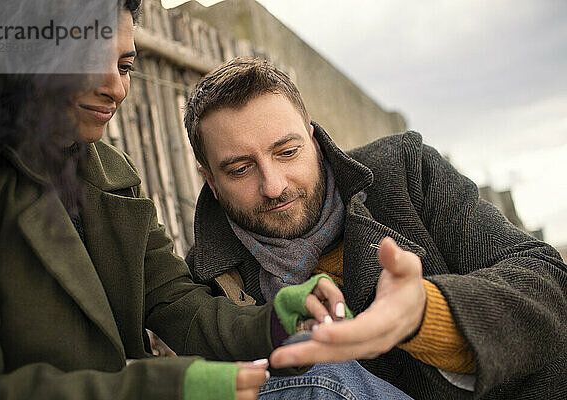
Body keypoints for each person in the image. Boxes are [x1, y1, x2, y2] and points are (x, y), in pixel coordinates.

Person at [0, 3, 347, 399]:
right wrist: (169, 388)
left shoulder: (114, 176)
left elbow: (178, 303)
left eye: (124, 66)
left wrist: (276, 322)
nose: (115, 87)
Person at [182, 57, 567, 399]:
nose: (274, 185)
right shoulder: (208, 279)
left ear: (314, 141)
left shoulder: (402, 171)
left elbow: (548, 280)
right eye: (240, 169)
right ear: (211, 181)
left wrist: (426, 313)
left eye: (287, 152)